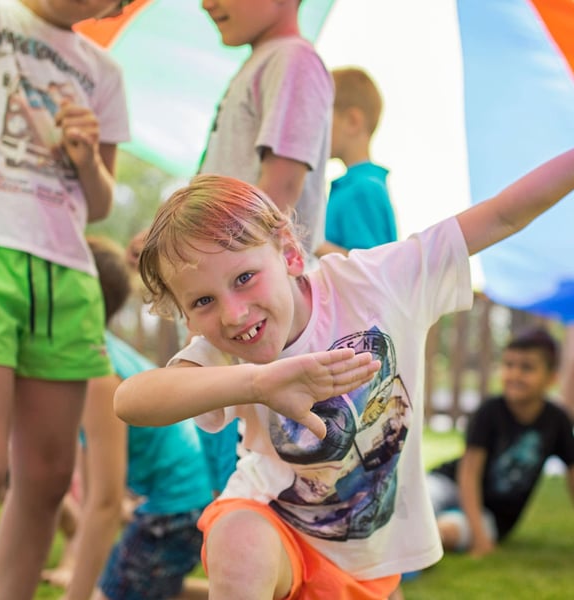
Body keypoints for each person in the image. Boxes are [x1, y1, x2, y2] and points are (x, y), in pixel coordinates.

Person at [114, 146, 574, 599]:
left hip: (368, 556)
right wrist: (259, 382)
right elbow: (132, 400)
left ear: (290, 254)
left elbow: (502, 216)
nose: (233, 314)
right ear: (188, 318)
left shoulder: (377, 282)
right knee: (237, 537)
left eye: (244, 278)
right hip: (277, 531)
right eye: (203, 301)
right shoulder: (224, 350)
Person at [0, 1, 130, 598]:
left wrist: (87, 159)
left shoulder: (104, 73)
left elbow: (101, 203)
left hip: (67, 274)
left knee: (45, 478)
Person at [198, 0, 334, 496]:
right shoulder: (261, 64)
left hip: (255, 323)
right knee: (234, 493)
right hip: (232, 318)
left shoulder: (293, 60)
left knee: (268, 497)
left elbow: (279, 186)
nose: (205, 3)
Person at [44, 236, 212, 600]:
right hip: (180, 497)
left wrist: (77, 594)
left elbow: (103, 507)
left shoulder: (99, 374)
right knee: (140, 583)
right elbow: (98, 499)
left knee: (115, 592)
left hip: (180, 506)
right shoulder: (92, 354)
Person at [427, 327, 574, 558]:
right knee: (420, 501)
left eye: (527, 367)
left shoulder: (557, 421)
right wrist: (480, 537)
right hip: (450, 483)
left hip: (493, 514)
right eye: (508, 365)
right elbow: (468, 474)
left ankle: (421, 542)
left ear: (552, 377)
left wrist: (479, 533)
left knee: (446, 532)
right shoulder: (489, 411)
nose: (514, 374)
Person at [316, 67, 397, 258]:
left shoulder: (363, 189)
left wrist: (311, 244)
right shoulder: (353, 187)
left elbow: (369, 266)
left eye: (322, 118)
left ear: (352, 121)